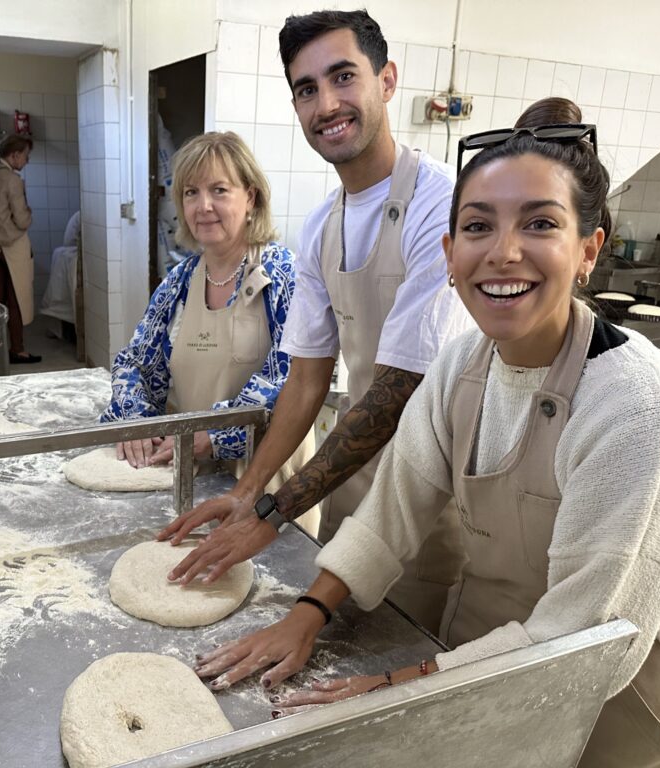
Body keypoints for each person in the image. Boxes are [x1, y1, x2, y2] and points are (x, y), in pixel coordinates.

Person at [193, 97, 660, 767]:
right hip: (481, 657)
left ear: (588, 249)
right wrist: (307, 612)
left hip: (615, 706)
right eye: (478, 226)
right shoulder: (461, 366)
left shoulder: (636, 398)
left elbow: (582, 639)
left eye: (540, 223)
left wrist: (396, 689)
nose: (504, 252)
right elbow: (390, 516)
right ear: (449, 252)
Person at [160, 9, 473, 631]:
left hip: (432, 491)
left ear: (386, 80)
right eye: (307, 89)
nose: (326, 103)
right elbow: (305, 379)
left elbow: (399, 389)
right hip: (349, 484)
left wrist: (273, 513)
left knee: (398, 654)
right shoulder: (323, 226)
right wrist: (248, 492)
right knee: (336, 645)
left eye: (342, 77)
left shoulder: (443, 203)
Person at [100, 132, 314, 520]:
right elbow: (135, 361)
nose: (203, 206)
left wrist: (216, 435)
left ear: (250, 197)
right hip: (196, 480)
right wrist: (135, 418)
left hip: (268, 490)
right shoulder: (178, 282)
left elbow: (291, 376)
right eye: (190, 192)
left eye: (219, 190)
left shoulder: (283, 275)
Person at [0, 133, 41, 364]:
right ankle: (18, 349)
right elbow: (22, 220)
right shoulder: (11, 180)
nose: (27, 161)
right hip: (12, 247)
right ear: (14, 155)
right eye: (25, 155)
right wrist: (29, 213)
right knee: (17, 299)